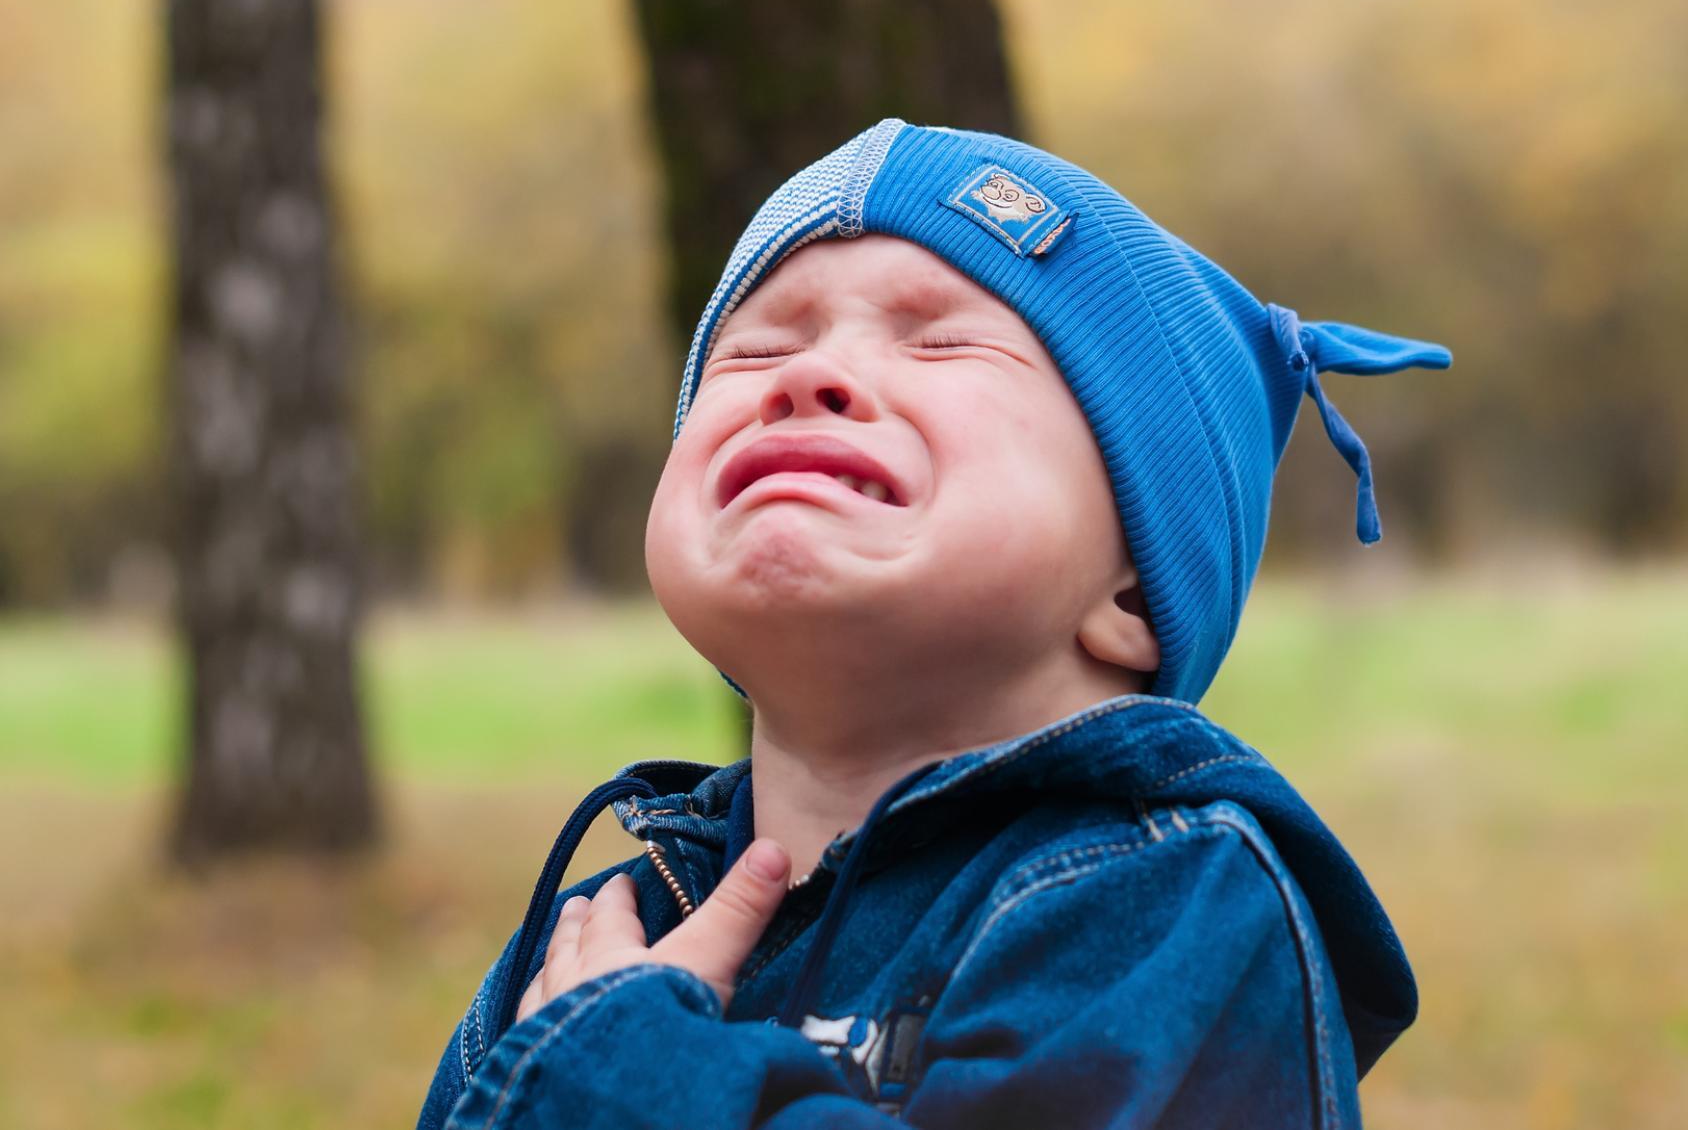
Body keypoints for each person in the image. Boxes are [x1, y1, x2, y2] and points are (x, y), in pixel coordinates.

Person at [416, 118, 1450, 1129]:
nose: (800, 377)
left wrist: (624, 1077)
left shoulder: (1171, 903)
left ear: (1132, 593)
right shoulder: (603, 934)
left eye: (939, 341)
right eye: (753, 349)